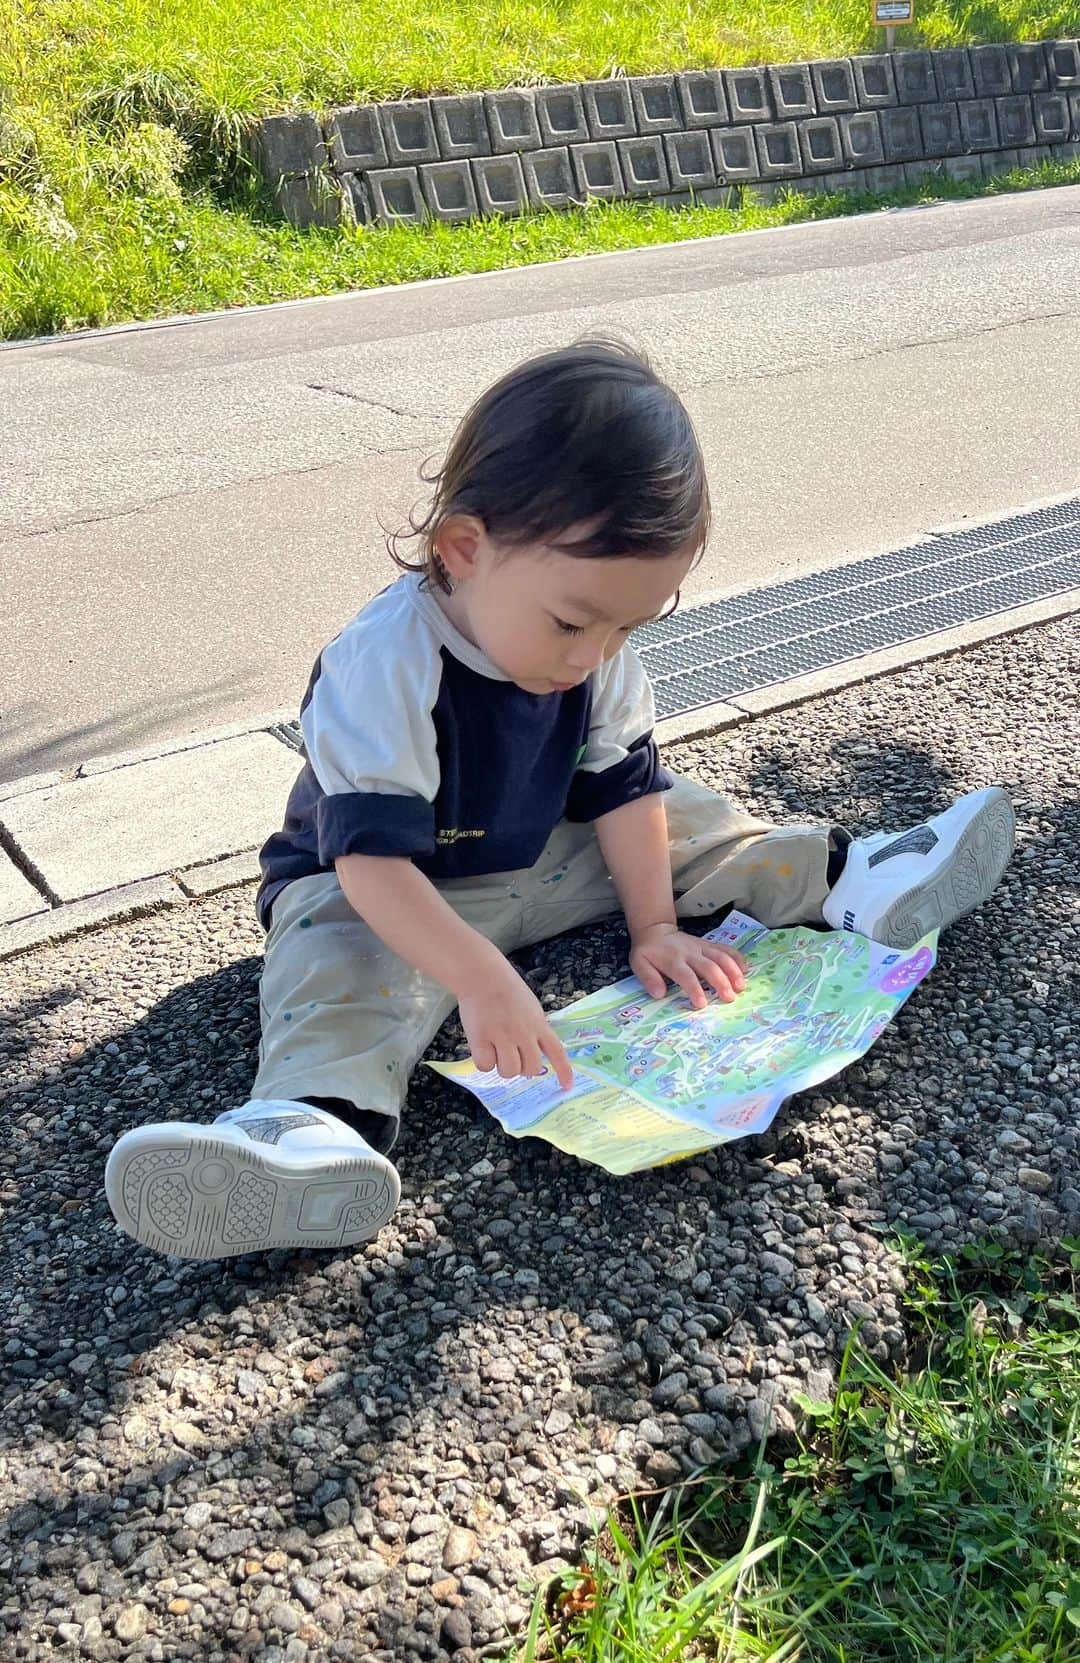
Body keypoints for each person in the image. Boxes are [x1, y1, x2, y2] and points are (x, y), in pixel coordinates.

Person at [104, 338, 1015, 1261]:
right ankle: (308, 1129)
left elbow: (622, 792)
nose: (594, 654)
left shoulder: (597, 650)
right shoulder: (385, 661)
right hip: (395, 891)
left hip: (540, 853)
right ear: (464, 549)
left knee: (683, 814)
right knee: (335, 967)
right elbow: (371, 863)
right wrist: (479, 977)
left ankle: (857, 878)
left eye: (629, 625)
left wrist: (655, 926)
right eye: (574, 621)